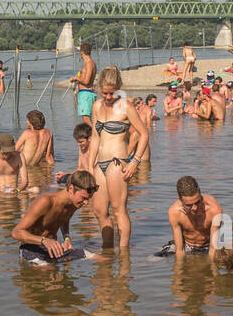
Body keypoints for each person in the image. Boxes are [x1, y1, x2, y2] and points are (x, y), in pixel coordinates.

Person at [89, 66, 149, 250]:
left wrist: (134, 162)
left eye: (112, 93)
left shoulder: (125, 106)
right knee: (99, 211)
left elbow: (144, 134)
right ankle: (107, 251)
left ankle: (124, 255)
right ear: (99, 88)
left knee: (118, 210)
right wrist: (89, 165)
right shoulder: (97, 106)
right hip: (100, 164)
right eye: (105, 93)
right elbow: (95, 137)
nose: (108, 97)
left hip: (118, 163)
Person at [12, 170, 98, 262]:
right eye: (83, 198)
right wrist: (44, 241)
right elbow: (16, 232)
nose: (86, 203)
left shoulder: (74, 203)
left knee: (98, 258)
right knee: (49, 271)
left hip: (54, 250)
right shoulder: (45, 201)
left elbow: (64, 218)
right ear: (71, 188)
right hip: (31, 248)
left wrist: (67, 238)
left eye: (88, 199)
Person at [160, 176, 222, 257]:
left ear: (200, 194)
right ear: (179, 199)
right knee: (154, 259)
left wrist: (213, 268)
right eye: (189, 205)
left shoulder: (214, 209)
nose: (194, 208)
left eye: (197, 202)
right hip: (187, 246)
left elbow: (213, 249)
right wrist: (179, 268)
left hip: (208, 246)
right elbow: (180, 250)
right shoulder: (174, 212)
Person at [70, 43, 98, 126]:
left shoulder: (89, 63)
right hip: (86, 93)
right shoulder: (91, 63)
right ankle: (93, 135)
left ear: (82, 52)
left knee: (86, 118)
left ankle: (94, 136)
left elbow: (86, 81)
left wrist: (76, 78)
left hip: (86, 94)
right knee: (87, 118)